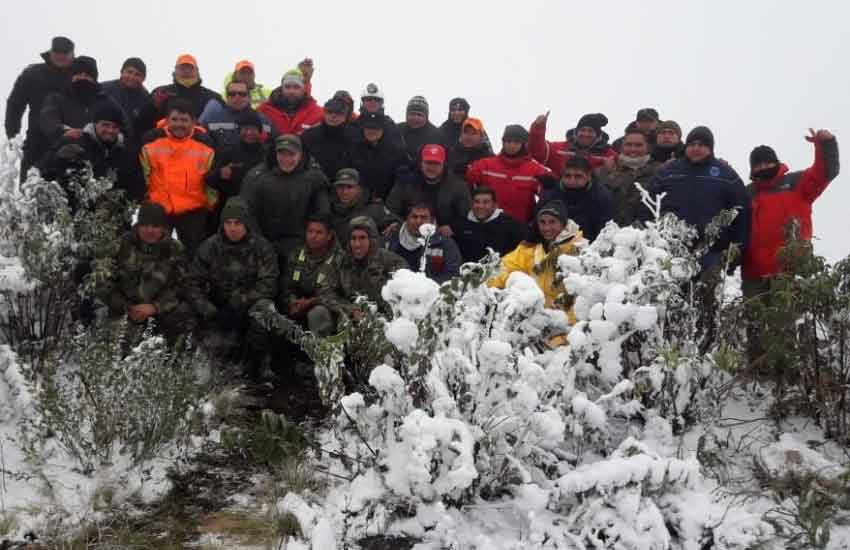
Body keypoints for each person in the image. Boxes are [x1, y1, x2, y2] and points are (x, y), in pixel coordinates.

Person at [646, 126, 750, 354]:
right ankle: (667, 346)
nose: (696, 148)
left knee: (706, 301)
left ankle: (704, 348)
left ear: (710, 148)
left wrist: (737, 248)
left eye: (701, 145)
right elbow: (648, 204)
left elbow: (742, 210)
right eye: (692, 144)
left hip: (711, 251)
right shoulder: (669, 171)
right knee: (671, 300)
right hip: (672, 250)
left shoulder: (725, 174)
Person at [189, 197, 279, 370]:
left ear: (246, 224)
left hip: (248, 306)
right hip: (217, 308)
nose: (232, 228)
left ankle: (257, 365)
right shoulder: (209, 247)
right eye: (228, 223)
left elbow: (268, 284)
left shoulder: (262, 247)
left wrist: (241, 301)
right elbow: (193, 283)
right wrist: (207, 309)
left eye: (237, 223)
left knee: (266, 310)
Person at [742, 129, 839, 288]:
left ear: (776, 162)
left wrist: (826, 144)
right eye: (758, 165)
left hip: (793, 274)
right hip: (754, 278)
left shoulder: (797, 182)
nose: (763, 167)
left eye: (767, 162)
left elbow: (826, 172)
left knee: (792, 313)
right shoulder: (747, 194)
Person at [105, 201, 195, 342]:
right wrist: (127, 307)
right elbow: (106, 280)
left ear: (164, 228)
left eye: (155, 226)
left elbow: (183, 287)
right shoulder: (121, 244)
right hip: (124, 311)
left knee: (185, 312)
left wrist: (155, 307)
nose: (150, 230)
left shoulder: (176, 249)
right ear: (138, 225)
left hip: (159, 313)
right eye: (145, 225)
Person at [140, 98, 216, 255]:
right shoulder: (151, 139)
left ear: (193, 121)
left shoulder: (205, 143)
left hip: (193, 210)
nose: (179, 124)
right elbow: (143, 173)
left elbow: (210, 178)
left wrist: (210, 204)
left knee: (193, 254)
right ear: (166, 120)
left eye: (184, 120)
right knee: (156, 254)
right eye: (174, 119)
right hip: (159, 209)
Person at [488, 199, 583, 319]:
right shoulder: (530, 247)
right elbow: (502, 268)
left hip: (564, 322)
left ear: (563, 224)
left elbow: (580, 298)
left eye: (552, 222)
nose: (547, 228)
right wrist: (513, 279)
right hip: (533, 318)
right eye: (542, 222)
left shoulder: (578, 249)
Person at [240, 134, 330, 258]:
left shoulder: (314, 178)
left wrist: (310, 240)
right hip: (264, 244)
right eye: (282, 154)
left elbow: (322, 213)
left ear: (301, 155)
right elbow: (247, 213)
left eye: (292, 154)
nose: (286, 159)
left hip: (302, 244)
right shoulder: (257, 177)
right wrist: (261, 244)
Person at [37, 102, 142, 205]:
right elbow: (41, 168)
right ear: (95, 124)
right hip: (72, 209)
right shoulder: (76, 140)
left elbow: (133, 183)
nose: (110, 130)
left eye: (115, 127)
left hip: (109, 212)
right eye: (105, 125)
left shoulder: (124, 150)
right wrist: (58, 157)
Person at [6, 36, 75, 178]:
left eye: (65, 53)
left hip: (69, 142)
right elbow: (15, 105)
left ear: (72, 55)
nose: (61, 56)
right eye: (57, 52)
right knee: (31, 188)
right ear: (50, 53)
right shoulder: (32, 73)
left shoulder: (79, 75)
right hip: (36, 141)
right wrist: (13, 134)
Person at [316, 216, 407, 324]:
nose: (357, 244)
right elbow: (325, 292)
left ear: (372, 239)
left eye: (362, 238)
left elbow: (403, 296)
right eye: (353, 238)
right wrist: (350, 309)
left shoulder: (392, 262)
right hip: (350, 318)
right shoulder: (340, 261)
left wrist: (377, 315)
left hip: (384, 321)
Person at [465, 124, 550, 224]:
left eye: (516, 142)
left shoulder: (535, 170)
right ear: (503, 142)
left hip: (521, 227)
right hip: (489, 226)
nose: (511, 145)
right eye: (508, 141)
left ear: (523, 144)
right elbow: (465, 184)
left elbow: (550, 194)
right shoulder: (485, 165)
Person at [39, 56, 126, 150]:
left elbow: (125, 128)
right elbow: (48, 120)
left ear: (94, 78)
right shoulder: (56, 98)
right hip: (61, 153)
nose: (82, 77)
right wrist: (64, 131)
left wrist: (114, 138)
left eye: (87, 75)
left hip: (99, 157)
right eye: (78, 74)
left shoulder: (107, 102)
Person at [386, 144, 470, 237]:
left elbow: (466, 214)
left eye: (436, 164)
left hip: (443, 235)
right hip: (410, 232)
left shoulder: (458, 186)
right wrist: (400, 223)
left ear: (444, 164)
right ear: (421, 162)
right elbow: (391, 210)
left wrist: (453, 227)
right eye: (428, 163)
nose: (431, 168)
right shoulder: (405, 182)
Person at [279, 214, 342, 337]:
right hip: (296, 305)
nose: (313, 236)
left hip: (326, 309)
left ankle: (322, 354)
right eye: (310, 231)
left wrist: (310, 302)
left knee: (317, 313)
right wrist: (292, 301)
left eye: (319, 232)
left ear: (329, 236)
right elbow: (286, 285)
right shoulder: (297, 254)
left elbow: (336, 295)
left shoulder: (340, 259)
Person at [205, 109, 268, 223]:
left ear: (260, 131)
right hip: (230, 211)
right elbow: (208, 179)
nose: (249, 133)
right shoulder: (227, 151)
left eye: (253, 129)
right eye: (245, 129)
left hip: (260, 210)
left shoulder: (268, 154)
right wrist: (220, 173)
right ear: (239, 131)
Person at [595, 129, 662, 227]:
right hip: (610, 233)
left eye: (638, 145)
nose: (633, 149)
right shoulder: (602, 171)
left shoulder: (660, 171)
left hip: (648, 234)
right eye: (628, 145)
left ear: (647, 147)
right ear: (622, 147)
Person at [539, 156, 614, 242]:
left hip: (588, 247)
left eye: (578, 176)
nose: (572, 181)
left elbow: (604, 232)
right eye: (568, 176)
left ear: (589, 176)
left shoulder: (601, 197)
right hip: (553, 246)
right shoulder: (550, 194)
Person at [386, 203, 462, 283]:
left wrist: (424, 287)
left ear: (432, 221)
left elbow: (453, 275)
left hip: (430, 292)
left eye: (424, 217)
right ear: (407, 219)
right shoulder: (391, 239)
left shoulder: (446, 245)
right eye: (414, 217)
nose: (418, 221)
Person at [347, 111, 410, 202]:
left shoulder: (396, 151)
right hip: (358, 201)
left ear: (383, 129)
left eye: (376, 128)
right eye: (368, 128)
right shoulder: (353, 150)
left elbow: (403, 178)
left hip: (387, 202)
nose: (371, 131)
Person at [452, 186, 527, 262]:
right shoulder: (460, 224)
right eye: (477, 202)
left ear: (495, 205)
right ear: (471, 204)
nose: (480, 206)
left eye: (486, 202)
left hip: (501, 271)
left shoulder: (510, 224)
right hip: (467, 271)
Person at [529, 111, 617, 174]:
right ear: (576, 131)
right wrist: (538, 127)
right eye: (583, 130)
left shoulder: (608, 154)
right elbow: (537, 152)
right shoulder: (560, 149)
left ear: (598, 135)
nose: (586, 134)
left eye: (591, 131)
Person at [328, 168, 399, 242]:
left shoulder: (375, 210)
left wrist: (394, 226)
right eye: (341, 187)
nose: (344, 192)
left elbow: (395, 225)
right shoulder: (328, 209)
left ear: (359, 189)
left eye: (349, 187)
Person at [199, 79, 272, 148]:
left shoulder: (263, 120)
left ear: (249, 97)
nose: (237, 97)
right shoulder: (213, 120)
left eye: (242, 94)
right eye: (232, 94)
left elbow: (273, 145)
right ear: (227, 97)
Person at [150, 54, 222, 121]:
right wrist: (155, 106)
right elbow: (146, 118)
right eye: (182, 68)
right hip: (166, 132)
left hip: (201, 133)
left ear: (197, 72)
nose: (186, 71)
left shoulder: (212, 97)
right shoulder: (161, 92)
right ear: (175, 72)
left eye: (190, 68)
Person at [100, 57, 154, 143]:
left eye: (137, 74)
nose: (132, 77)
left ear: (143, 79)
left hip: (129, 144)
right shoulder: (104, 89)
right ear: (121, 72)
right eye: (129, 72)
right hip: (102, 138)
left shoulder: (146, 99)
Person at [300, 97, 356, 180]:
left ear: (345, 116)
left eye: (338, 113)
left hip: (345, 183)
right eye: (329, 112)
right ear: (324, 113)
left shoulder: (354, 136)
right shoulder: (309, 135)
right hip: (315, 181)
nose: (333, 116)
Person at [257, 69, 323, 136]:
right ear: (281, 88)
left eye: (296, 87)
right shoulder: (264, 110)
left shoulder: (317, 113)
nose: (291, 91)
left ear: (303, 90)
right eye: (287, 87)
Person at [349, 82, 403, 147]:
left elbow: (399, 150)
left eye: (377, 100)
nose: (373, 102)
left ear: (381, 103)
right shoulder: (354, 124)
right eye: (369, 99)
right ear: (362, 102)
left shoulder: (390, 125)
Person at [397, 96, 443, 163]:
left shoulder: (436, 135)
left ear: (426, 116)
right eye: (412, 114)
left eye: (419, 115)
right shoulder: (397, 130)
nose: (415, 118)